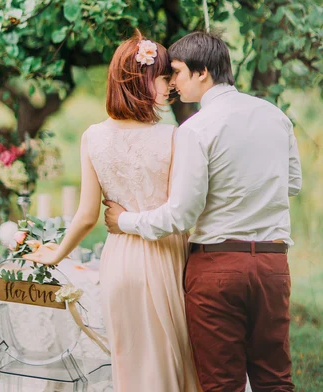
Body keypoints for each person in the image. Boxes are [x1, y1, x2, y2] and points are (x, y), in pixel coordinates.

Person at [104, 31, 302, 392]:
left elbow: (179, 216)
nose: (173, 83)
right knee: (275, 378)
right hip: (273, 264)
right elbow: (292, 184)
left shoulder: (195, 129)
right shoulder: (276, 116)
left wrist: (124, 221)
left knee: (221, 382)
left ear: (202, 73)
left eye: (177, 72)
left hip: (218, 268)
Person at [23, 31, 200, 392]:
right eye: (163, 78)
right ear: (141, 80)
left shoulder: (93, 137)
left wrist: (57, 253)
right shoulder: (173, 136)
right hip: (165, 256)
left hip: (118, 260)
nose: (170, 86)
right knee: (172, 359)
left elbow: (87, 214)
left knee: (130, 362)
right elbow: (185, 212)